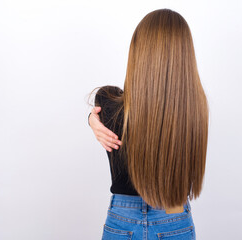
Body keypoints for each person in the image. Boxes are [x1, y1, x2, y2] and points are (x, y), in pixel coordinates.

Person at [87, 8, 209, 240]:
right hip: (175, 218)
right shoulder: (196, 109)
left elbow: (104, 106)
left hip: (123, 219)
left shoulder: (109, 102)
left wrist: (91, 120)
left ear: (138, 52)